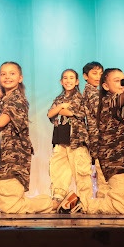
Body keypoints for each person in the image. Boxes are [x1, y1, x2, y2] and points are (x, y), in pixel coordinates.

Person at [0, 61, 70, 214]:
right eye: (3, 74)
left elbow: (0, 122)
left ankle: (53, 203)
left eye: (12, 73)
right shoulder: (1, 101)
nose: (7, 77)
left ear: (20, 78)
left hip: (13, 160)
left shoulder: (17, 99)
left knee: (11, 207)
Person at [66, 68, 124, 215]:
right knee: (121, 207)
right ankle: (80, 203)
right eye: (117, 81)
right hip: (116, 160)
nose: (123, 83)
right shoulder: (107, 102)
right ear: (105, 86)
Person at [47, 68, 93, 207]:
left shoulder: (80, 97)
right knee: (59, 170)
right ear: (61, 81)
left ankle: (85, 202)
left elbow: (72, 112)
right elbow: (50, 114)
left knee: (81, 172)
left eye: (71, 78)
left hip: (76, 140)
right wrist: (61, 106)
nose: (68, 80)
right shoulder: (59, 99)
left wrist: (58, 110)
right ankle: (58, 200)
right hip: (60, 139)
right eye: (65, 78)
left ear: (77, 81)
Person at [81, 61, 109, 199]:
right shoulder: (92, 92)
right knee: (103, 171)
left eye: (101, 73)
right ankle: (103, 200)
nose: (98, 76)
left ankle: (103, 199)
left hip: (98, 135)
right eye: (94, 73)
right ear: (85, 76)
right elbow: (102, 113)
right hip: (99, 136)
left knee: (102, 170)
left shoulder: (95, 92)